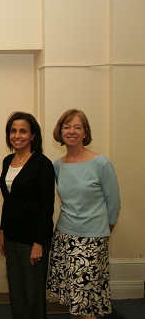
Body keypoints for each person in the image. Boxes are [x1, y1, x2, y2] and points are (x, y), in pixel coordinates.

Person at [48, 109, 121, 319]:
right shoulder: (57, 165)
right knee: (75, 300)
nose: (72, 131)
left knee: (86, 303)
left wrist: (102, 233)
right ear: (60, 131)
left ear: (85, 132)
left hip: (92, 240)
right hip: (63, 236)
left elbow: (114, 204)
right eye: (67, 126)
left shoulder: (101, 163)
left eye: (77, 127)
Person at [0, 112, 55, 319]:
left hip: (33, 239)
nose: (17, 135)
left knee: (33, 293)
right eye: (13, 131)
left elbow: (47, 207)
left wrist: (39, 243)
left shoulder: (43, 164)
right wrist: (2, 232)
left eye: (23, 131)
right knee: (16, 290)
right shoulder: (7, 161)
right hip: (12, 236)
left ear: (33, 135)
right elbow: (8, 202)